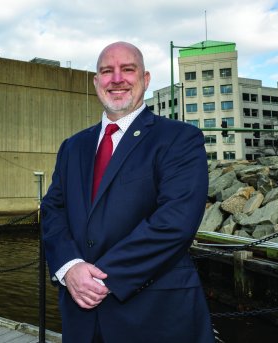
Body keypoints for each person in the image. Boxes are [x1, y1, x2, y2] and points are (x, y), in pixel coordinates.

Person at [40, 41, 214, 342]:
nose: (117, 78)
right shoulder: (72, 147)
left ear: (145, 79)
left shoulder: (179, 139)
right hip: (82, 320)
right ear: (96, 82)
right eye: (107, 71)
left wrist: (101, 277)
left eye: (127, 69)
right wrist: (70, 267)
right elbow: (53, 210)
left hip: (155, 317)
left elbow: (176, 221)